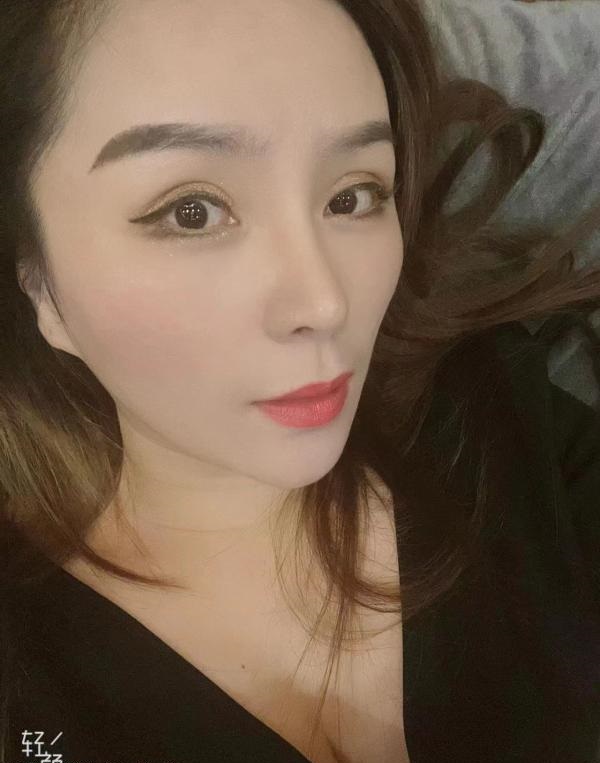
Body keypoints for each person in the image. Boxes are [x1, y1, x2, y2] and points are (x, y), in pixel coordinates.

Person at [0, 1, 599, 762]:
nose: (324, 302)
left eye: (352, 196)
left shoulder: (501, 420)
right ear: (39, 286)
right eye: (192, 212)